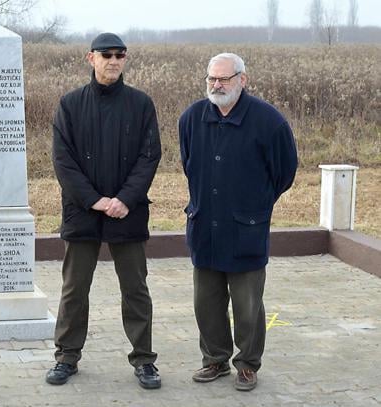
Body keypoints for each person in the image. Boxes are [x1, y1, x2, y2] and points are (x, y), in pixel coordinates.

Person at [47, 32, 162, 389]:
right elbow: (63, 161)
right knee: (74, 289)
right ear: (90, 58)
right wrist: (94, 200)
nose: (113, 61)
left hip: (127, 211)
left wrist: (124, 199)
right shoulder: (70, 104)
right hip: (83, 211)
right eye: (106, 54)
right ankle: (67, 356)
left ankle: (144, 359)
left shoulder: (141, 104)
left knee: (135, 289)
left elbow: (149, 157)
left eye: (120, 55)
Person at [178, 53, 298, 391]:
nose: (217, 85)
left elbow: (284, 172)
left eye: (224, 79)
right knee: (206, 301)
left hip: (246, 228)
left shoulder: (268, 122)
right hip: (204, 225)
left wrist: (255, 203)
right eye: (211, 79)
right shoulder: (191, 119)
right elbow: (189, 164)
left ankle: (247, 364)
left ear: (242, 80)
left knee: (247, 305)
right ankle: (215, 359)